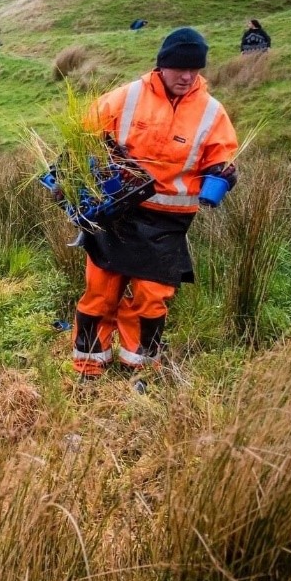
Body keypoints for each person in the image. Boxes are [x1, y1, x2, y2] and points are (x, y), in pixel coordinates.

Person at [71, 27, 239, 378]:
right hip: (115, 214)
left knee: (151, 298)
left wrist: (224, 174)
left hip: (169, 222)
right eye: (180, 68)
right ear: (162, 66)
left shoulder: (211, 111)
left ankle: (140, 371)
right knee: (100, 294)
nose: (188, 75)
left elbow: (221, 155)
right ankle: (88, 368)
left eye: (195, 69)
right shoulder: (126, 97)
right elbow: (83, 138)